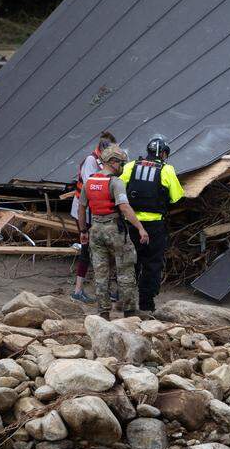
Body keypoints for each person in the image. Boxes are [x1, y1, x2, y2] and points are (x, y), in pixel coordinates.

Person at [78, 144, 149, 320]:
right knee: (125, 271)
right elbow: (124, 207)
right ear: (113, 162)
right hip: (115, 231)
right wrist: (140, 228)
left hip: (95, 231)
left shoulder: (90, 182)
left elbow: (81, 208)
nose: (122, 166)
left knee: (101, 273)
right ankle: (130, 313)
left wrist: (83, 230)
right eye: (121, 163)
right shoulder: (116, 183)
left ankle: (103, 314)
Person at [120, 134, 184, 314]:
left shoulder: (131, 166)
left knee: (130, 264)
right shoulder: (166, 169)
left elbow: (119, 191)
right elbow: (177, 196)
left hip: (131, 224)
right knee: (152, 264)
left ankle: (127, 304)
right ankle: (146, 305)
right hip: (154, 227)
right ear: (163, 153)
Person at [70, 131, 116, 303]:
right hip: (85, 213)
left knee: (103, 250)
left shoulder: (101, 162)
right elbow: (91, 189)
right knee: (86, 251)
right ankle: (78, 291)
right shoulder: (91, 161)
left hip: (94, 212)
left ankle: (103, 289)